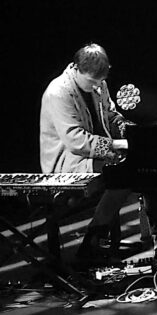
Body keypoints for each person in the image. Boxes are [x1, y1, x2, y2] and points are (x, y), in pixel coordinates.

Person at [39, 44, 131, 260]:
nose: (97, 85)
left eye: (100, 81)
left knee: (139, 167)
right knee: (123, 175)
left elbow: (109, 114)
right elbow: (75, 139)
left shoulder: (98, 83)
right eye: (92, 81)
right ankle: (93, 241)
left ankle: (103, 240)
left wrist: (125, 127)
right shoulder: (58, 92)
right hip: (67, 163)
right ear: (76, 68)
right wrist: (117, 145)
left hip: (91, 156)